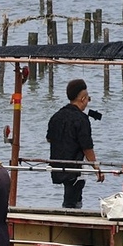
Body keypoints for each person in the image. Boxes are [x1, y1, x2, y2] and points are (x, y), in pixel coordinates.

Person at [47, 79, 105, 209]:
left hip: (58, 164)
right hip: (75, 166)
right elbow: (87, 148)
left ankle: (69, 214)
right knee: (72, 201)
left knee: (71, 197)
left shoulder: (56, 116)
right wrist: (97, 169)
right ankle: (68, 220)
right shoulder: (82, 119)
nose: (87, 102)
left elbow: (49, 139)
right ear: (83, 98)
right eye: (88, 99)